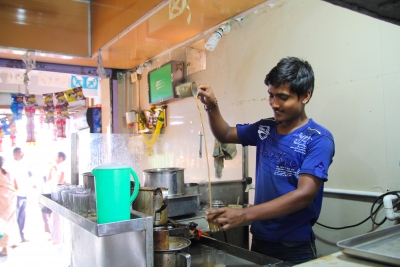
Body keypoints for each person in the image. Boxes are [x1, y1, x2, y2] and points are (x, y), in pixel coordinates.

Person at [197, 57, 335, 264]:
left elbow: (305, 195)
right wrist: (212, 106)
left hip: (294, 245)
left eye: (283, 97)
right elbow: (225, 133)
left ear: (305, 96)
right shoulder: (265, 128)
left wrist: (245, 214)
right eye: (271, 95)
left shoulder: (317, 139)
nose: (274, 104)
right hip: (260, 239)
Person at [8, 147, 32, 243]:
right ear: (15, 154)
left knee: (23, 217)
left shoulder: (24, 165)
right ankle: (13, 239)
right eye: (20, 153)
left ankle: (22, 237)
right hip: (16, 195)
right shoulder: (11, 165)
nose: (22, 154)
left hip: (24, 194)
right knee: (15, 217)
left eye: (22, 153)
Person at [47, 152, 69, 245]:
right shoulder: (56, 167)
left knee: (58, 217)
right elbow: (49, 178)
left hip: (58, 193)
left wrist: (58, 186)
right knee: (56, 217)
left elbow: (62, 177)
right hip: (56, 192)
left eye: (57, 156)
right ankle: (57, 237)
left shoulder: (62, 166)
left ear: (60, 157)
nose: (56, 158)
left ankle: (58, 239)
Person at [0, 156, 19, 256]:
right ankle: (11, 243)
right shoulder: (10, 172)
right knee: (9, 222)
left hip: (2, 200)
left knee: (2, 224)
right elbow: (16, 186)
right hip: (11, 199)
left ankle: (4, 249)